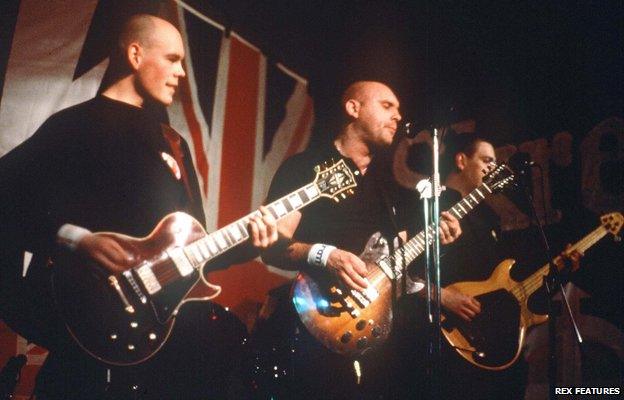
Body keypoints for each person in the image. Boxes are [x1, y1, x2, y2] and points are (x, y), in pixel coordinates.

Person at [0, 14, 277, 399]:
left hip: (157, 351)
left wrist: (252, 242)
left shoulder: (173, 144)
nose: (181, 72)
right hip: (83, 349)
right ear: (134, 54)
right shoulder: (72, 127)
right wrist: (78, 240)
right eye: (172, 59)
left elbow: (191, 255)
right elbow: (7, 201)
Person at [259, 81, 462, 398]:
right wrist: (325, 255)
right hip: (309, 327)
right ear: (353, 108)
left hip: (369, 340)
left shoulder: (389, 189)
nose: (398, 116)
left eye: (398, 109)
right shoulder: (305, 168)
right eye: (386, 106)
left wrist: (437, 242)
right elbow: (271, 247)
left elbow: (396, 266)